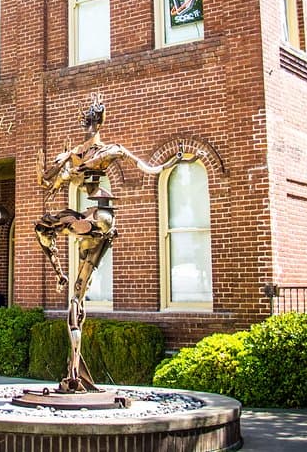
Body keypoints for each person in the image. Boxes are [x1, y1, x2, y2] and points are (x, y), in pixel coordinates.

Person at [34, 93, 193, 393]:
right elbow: (48, 181)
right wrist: (53, 169)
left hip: (101, 220)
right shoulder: (73, 156)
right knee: (48, 238)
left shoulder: (107, 151)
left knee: (75, 225)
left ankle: (68, 268)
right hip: (87, 220)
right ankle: (73, 370)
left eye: (93, 120)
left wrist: (171, 162)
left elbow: (143, 165)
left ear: (99, 121)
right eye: (88, 120)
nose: (89, 124)